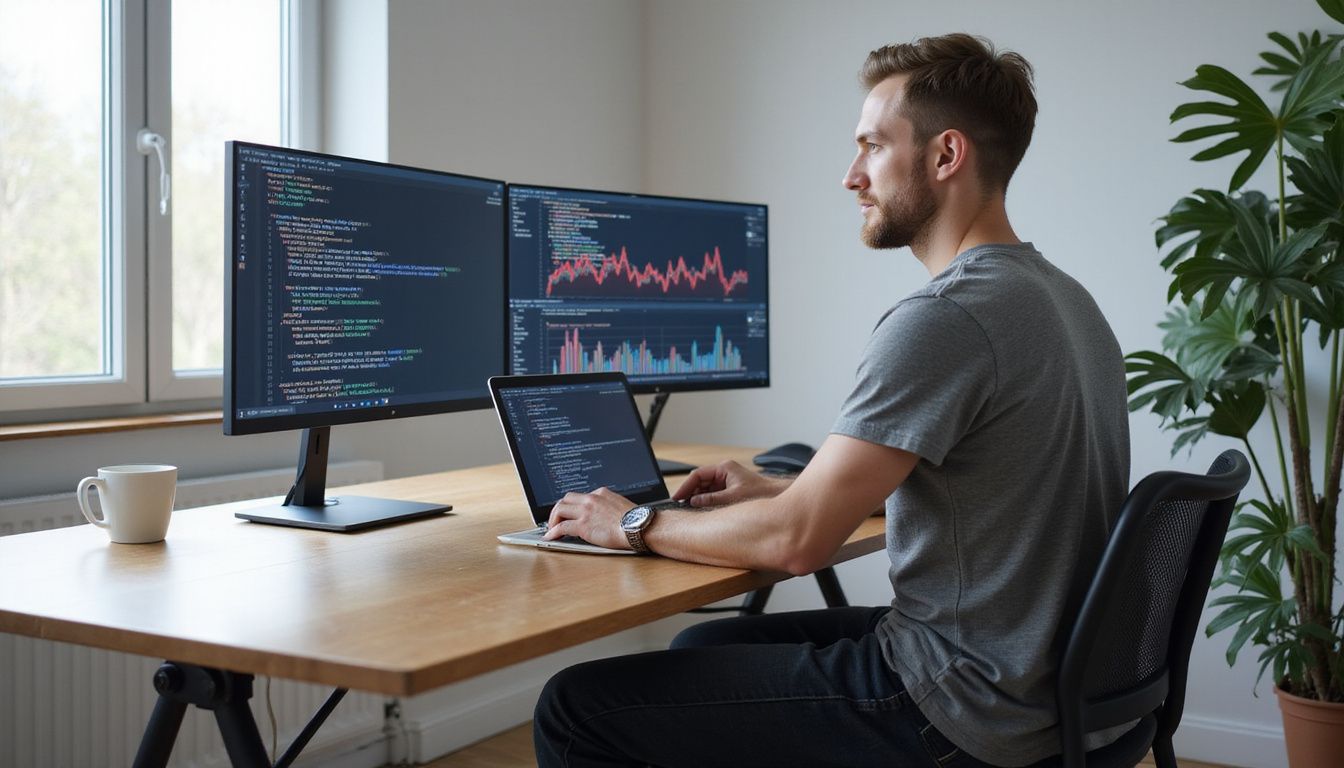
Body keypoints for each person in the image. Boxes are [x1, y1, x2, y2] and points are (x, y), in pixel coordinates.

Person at [533, 32, 1130, 768]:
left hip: (960, 704)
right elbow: (992, 488)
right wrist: (793, 488)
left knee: (574, 709)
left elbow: (796, 543)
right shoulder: (1065, 300)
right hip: (1042, 683)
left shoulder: (947, 317)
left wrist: (629, 520)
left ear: (945, 157)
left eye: (872, 147)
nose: (851, 177)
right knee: (704, 643)